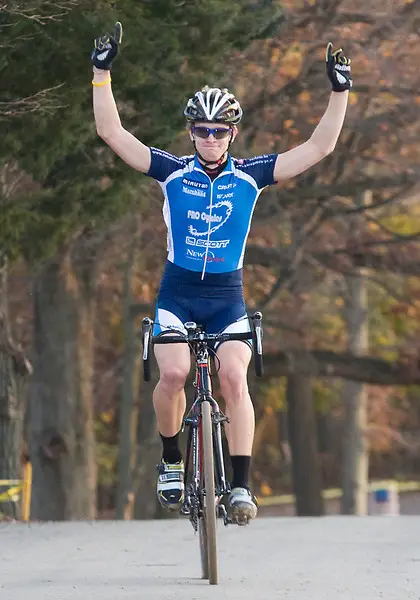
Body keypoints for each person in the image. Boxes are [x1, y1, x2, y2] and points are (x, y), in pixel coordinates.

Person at [91, 22, 352, 524]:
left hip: (227, 297)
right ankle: (171, 461)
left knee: (234, 377)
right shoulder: (172, 173)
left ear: (233, 133)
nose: (210, 139)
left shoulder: (250, 178)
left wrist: (339, 93)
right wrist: (101, 72)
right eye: (202, 130)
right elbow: (111, 132)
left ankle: (241, 486)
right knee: (173, 372)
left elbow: (318, 148)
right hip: (178, 292)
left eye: (220, 130)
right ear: (191, 133)